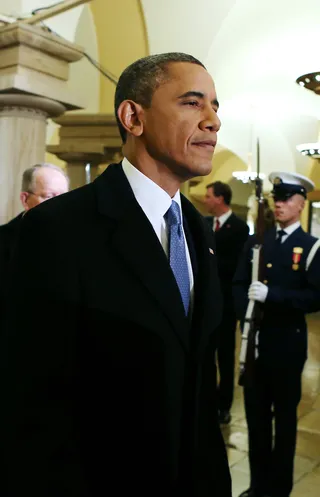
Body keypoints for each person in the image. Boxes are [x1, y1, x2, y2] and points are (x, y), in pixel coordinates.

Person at [0, 53, 232, 497]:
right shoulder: (59, 228)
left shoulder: (198, 230)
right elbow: (31, 405)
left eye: (216, 106)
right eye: (192, 102)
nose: (213, 121)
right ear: (133, 116)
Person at [233, 172, 320, 497]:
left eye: (286, 199)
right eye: (276, 198)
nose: (279, 204)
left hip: (287, 346)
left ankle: (279, 489)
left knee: (284, 422)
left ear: (300, 204)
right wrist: (246, 314)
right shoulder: (258, 242)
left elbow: (315, 297)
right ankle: (258, 486)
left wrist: (274, 296)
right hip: (255, 344)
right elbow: (240, 284)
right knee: (255, 420)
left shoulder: (310, 248)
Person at [204, 181, 249, 424]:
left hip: (227, 304)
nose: (205, 200)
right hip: (206, 302)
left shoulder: (240, 228)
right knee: (206, 354)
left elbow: (235, 266)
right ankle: (208, 401)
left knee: (225, 356)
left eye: (209, 196)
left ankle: (224, 405)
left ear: (220, 199)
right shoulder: (205, 223)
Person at [0, 163, 69, 314]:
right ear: (25, 199)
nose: (59, 204)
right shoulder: (3, 239)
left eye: (64, 197)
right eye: (49, 196)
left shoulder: (79, 240)